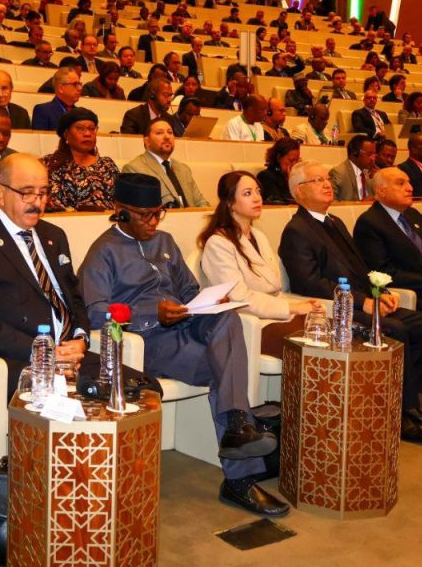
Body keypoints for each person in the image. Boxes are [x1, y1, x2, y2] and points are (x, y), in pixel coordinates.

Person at [80, 173, 287, 515]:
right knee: (224, 367)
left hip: (187, 322)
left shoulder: (165, 241)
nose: (153, 222)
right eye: (144, 215)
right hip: (148, 340)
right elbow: (95, 313)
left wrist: (211, 301)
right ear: (120, 211)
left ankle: (238, 425)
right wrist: (152, 313)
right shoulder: (103, 253)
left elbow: (189, 290)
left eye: (158, 213)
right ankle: (239, 475)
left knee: (228, 318)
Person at [282, 161, 422, 444]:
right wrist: (362, 302)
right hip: (337, 310)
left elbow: (360, 268)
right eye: (317, 180)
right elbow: (309, 284)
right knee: (395, 329)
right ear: (299, 192)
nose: (327, 184)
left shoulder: (335, 222)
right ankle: (400, 411)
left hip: (363, 300)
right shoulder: (297, 230)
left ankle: (406, 396)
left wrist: (379, 291)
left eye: (327, 179)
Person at [0, 151, 97, 401]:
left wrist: (80, 338)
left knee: (144, 388)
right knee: (85, 402)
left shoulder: (54, 235)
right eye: (27, 192)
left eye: (43, 192)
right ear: (1, 193)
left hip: (72, 357)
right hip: (23, 361)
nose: (37, 202)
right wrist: (43, 351)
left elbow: (74, 298)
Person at [200, 170, 321, 354]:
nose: (257, 198)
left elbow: (274, 288)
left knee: (328, 327)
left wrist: (302, 305)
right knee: (311, 341)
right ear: (230, 203)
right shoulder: (218, 243)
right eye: (247, 193)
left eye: (257, 191)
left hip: (276, 316)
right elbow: (239, 299)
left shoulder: (259, 236)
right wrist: (292, 307)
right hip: (251, 324)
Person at [354, 168, 422, 328]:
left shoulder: (413, 214)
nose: (410, 188)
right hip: (414, 291)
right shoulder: (370, 222)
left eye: (409, 183)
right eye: (401, 183)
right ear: (381, 191)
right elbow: (382, 272)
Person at [121, 118, 209, 208]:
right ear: (147, 141)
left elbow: (202, 203)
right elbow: (140, 211)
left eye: (170, 132)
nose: (167, 137)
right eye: (159, 133)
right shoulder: (134, 169)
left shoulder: (184, 169)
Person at [42, 109, 118, 211]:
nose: (88, 134)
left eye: (92, 129)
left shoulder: (107, 164)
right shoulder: (50, 164)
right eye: (80, 128)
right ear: (66, 134)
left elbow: (122, 200)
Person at [330, 134, 375, 201]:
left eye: (374, 154)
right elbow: (331, 203)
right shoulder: (338, 173)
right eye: (369, 154)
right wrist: (360, 204)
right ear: (355, 153)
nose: (373, 158)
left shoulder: (368, 173)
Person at [257, 137, 300, 205]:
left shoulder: (299, 177)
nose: (294, 164)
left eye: (297, 160)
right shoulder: (266, 176)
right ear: (279, 157)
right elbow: (278, 202)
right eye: (291, 160)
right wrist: (290, 183)